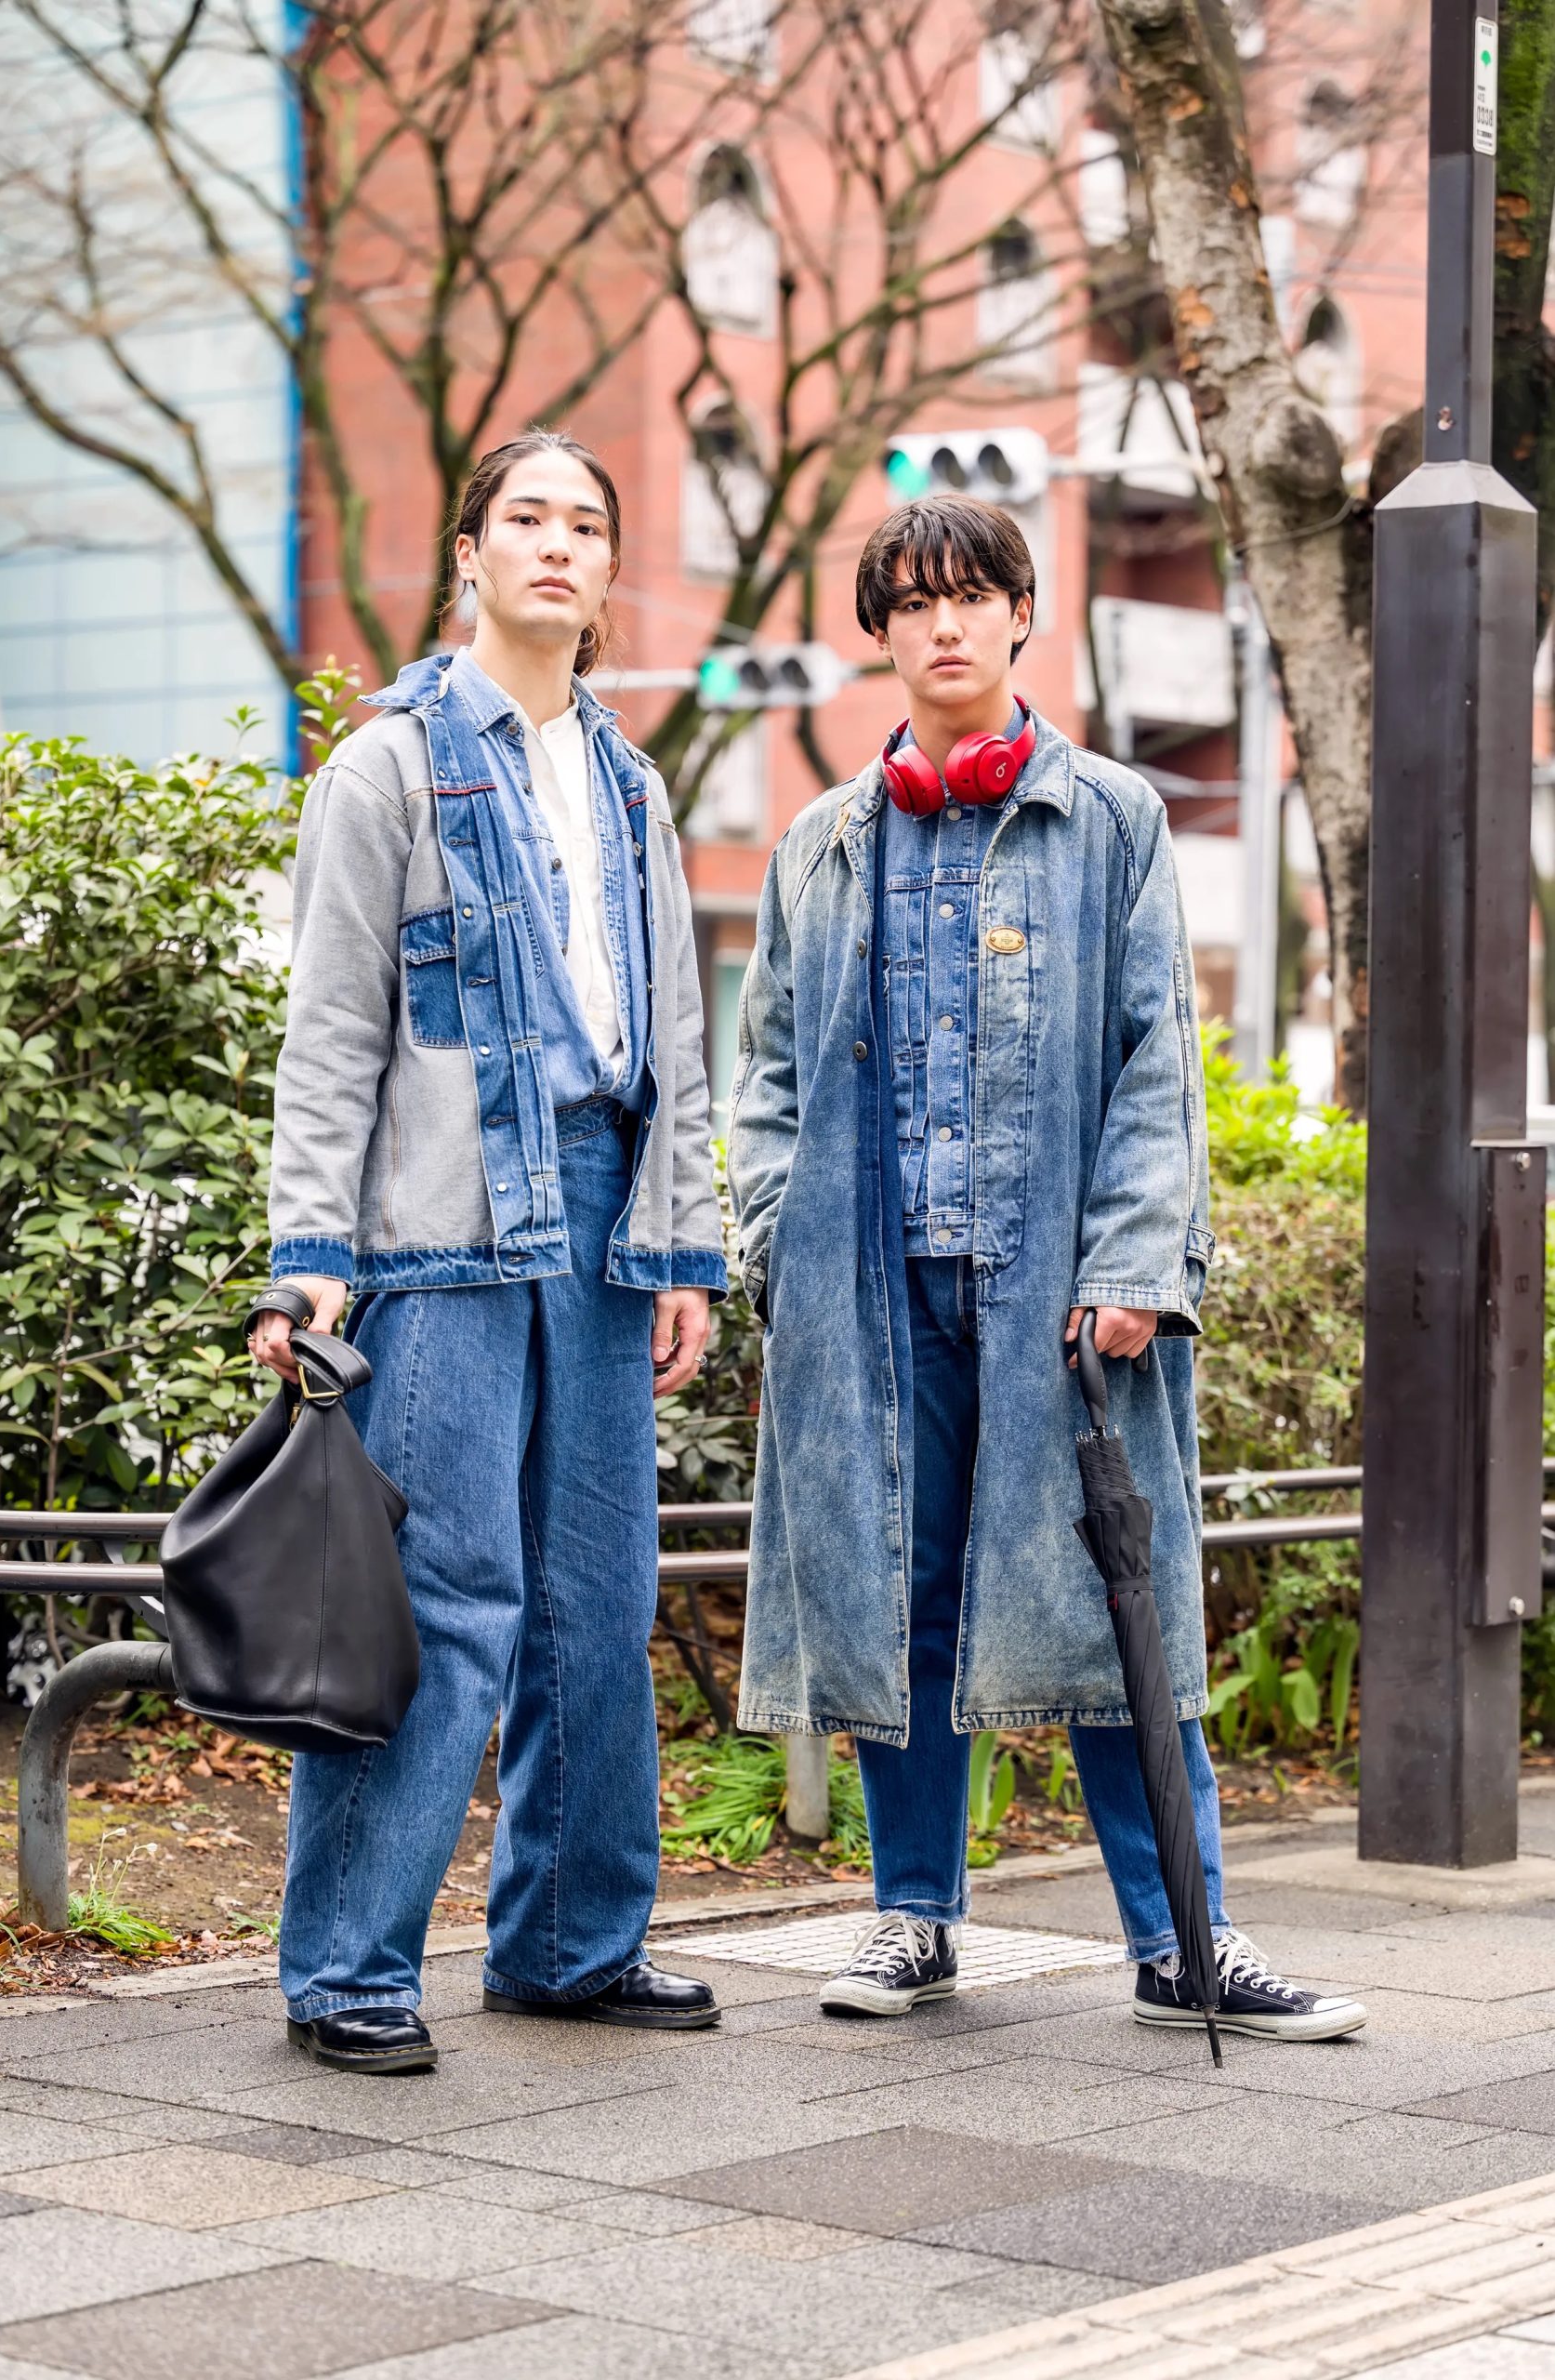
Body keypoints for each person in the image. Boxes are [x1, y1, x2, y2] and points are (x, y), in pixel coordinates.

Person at [728, 494, 1365, 2043]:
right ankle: (912, 1920)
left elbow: (1161, 1062)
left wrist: (1140, 1256)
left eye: (976, 596)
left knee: (1115, 1606)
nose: (945, 625)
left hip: (1067, 1304)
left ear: (1024, 616)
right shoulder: (823, 843)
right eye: (913, 602)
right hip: (871, 1295)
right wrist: (769, 1237)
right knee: (899, 1601)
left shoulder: (1112, 820)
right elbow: (764, 1069)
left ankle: (1185, 1943)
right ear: (877, 633)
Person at [250, 430, 728, 2073]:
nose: (555, 545)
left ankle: (572, 1946)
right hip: (443, 1235)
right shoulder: (385, 766)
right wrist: (309, 1255)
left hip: (601, 1234)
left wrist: (679, 1243)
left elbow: (671, 1030)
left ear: (607, 572)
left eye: (585, 525)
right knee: (446, 1606)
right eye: (524, 516)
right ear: (469, 551)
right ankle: (349, 1970)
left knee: (598, 1608)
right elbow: (329, 1035)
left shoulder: (627, 780)